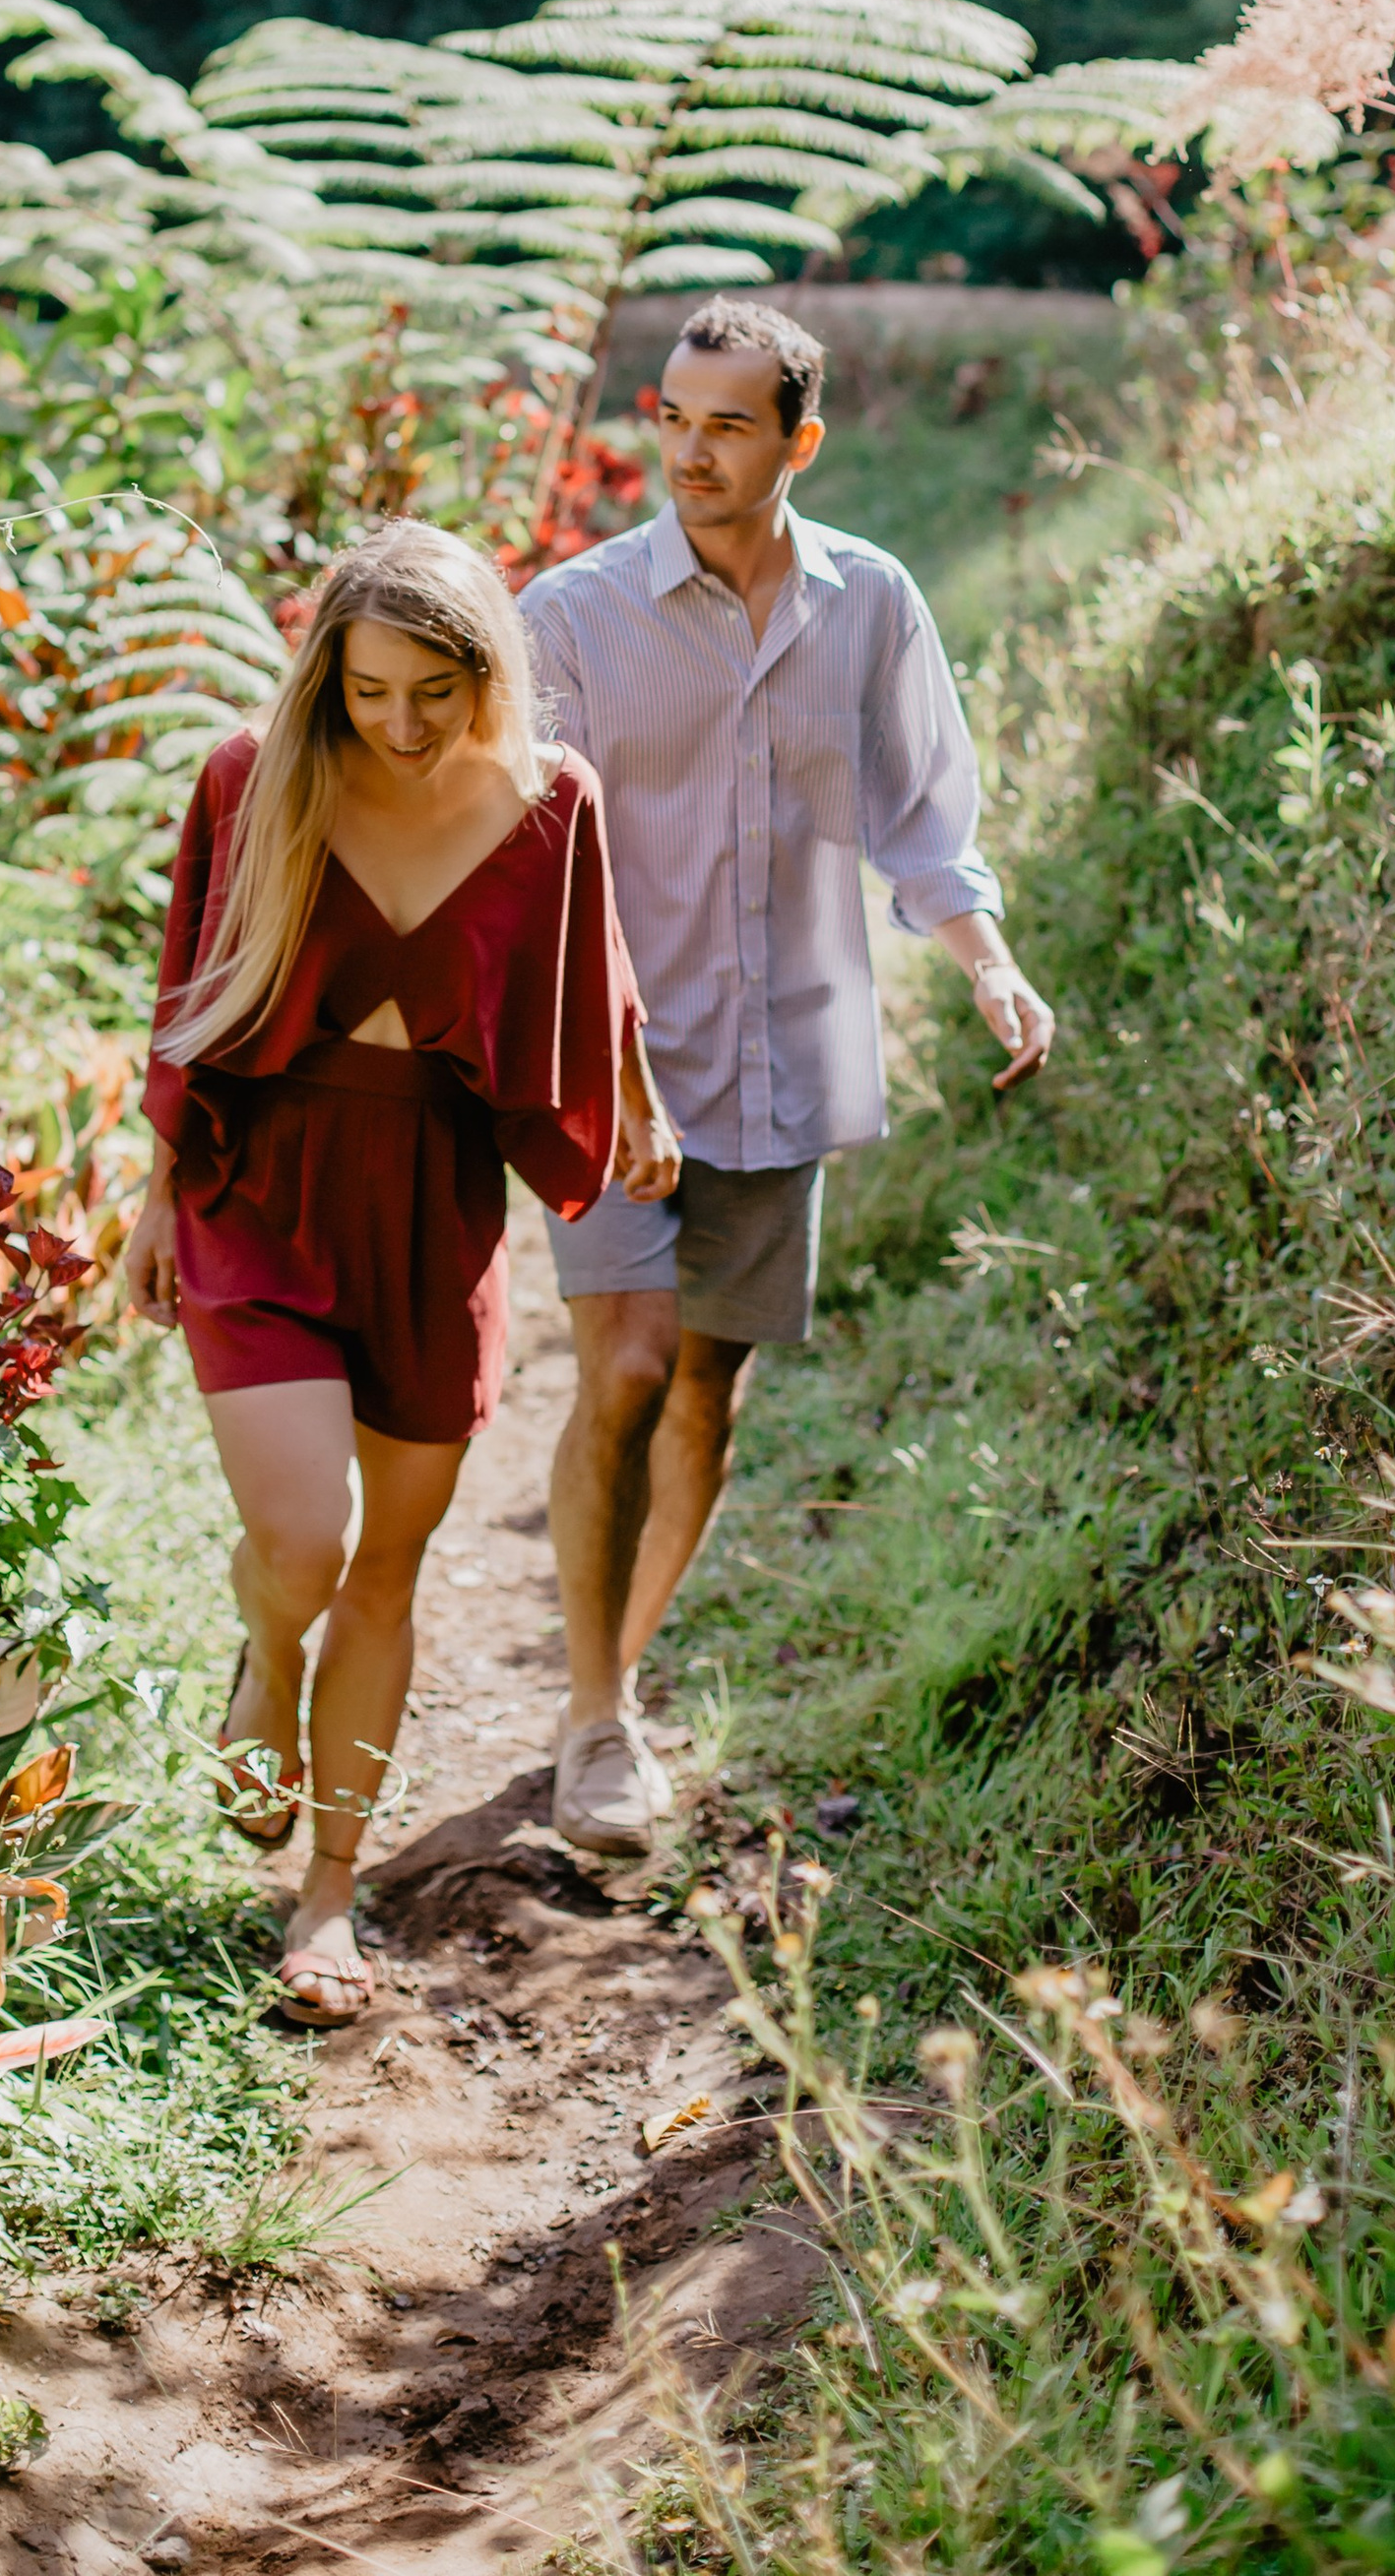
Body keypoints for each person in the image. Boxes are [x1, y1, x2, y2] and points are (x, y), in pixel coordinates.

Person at [520, 297, 1055, 1857]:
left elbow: (921, 819)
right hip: (614, 1068)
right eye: (672, 419)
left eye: (727, 425)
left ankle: (610, 1675)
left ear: (797, 441)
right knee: (622, 1369)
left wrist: (987, 963)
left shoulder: (872, 604)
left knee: (704, 1391)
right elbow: (538, 859)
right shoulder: (571, 616)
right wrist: (594, 1062)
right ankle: (593, 1719)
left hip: (784, 1059)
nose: (688, 451)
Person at [124, 520, 679, 2025]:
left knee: (387, 1568)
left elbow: (596, 968)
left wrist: (633, 1106)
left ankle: (326, 1901)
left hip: (436, 1206)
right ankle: (262, 1646)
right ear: (331, 679)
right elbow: (189, 988)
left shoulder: (548, 802)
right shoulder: (257, 775)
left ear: (486, 671)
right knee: (302, 1545)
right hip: (264, 1185)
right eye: (373, 694)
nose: (405, 726)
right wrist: (156, 1200)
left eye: (436, 692)